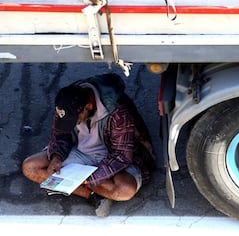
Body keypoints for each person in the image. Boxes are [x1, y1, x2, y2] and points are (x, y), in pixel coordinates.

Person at [22, 73, 156, 217]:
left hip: (112, 156)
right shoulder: (67, 104)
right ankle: (93, 194)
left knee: (125, 190)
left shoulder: (117, 111)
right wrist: (56, 157)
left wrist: (92, 178)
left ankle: (86, 186)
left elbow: (122, 155)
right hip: (82, 152)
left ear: (89, 106)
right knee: (30, 167)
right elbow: (59, 134)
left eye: (76, 119)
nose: (74, 123)